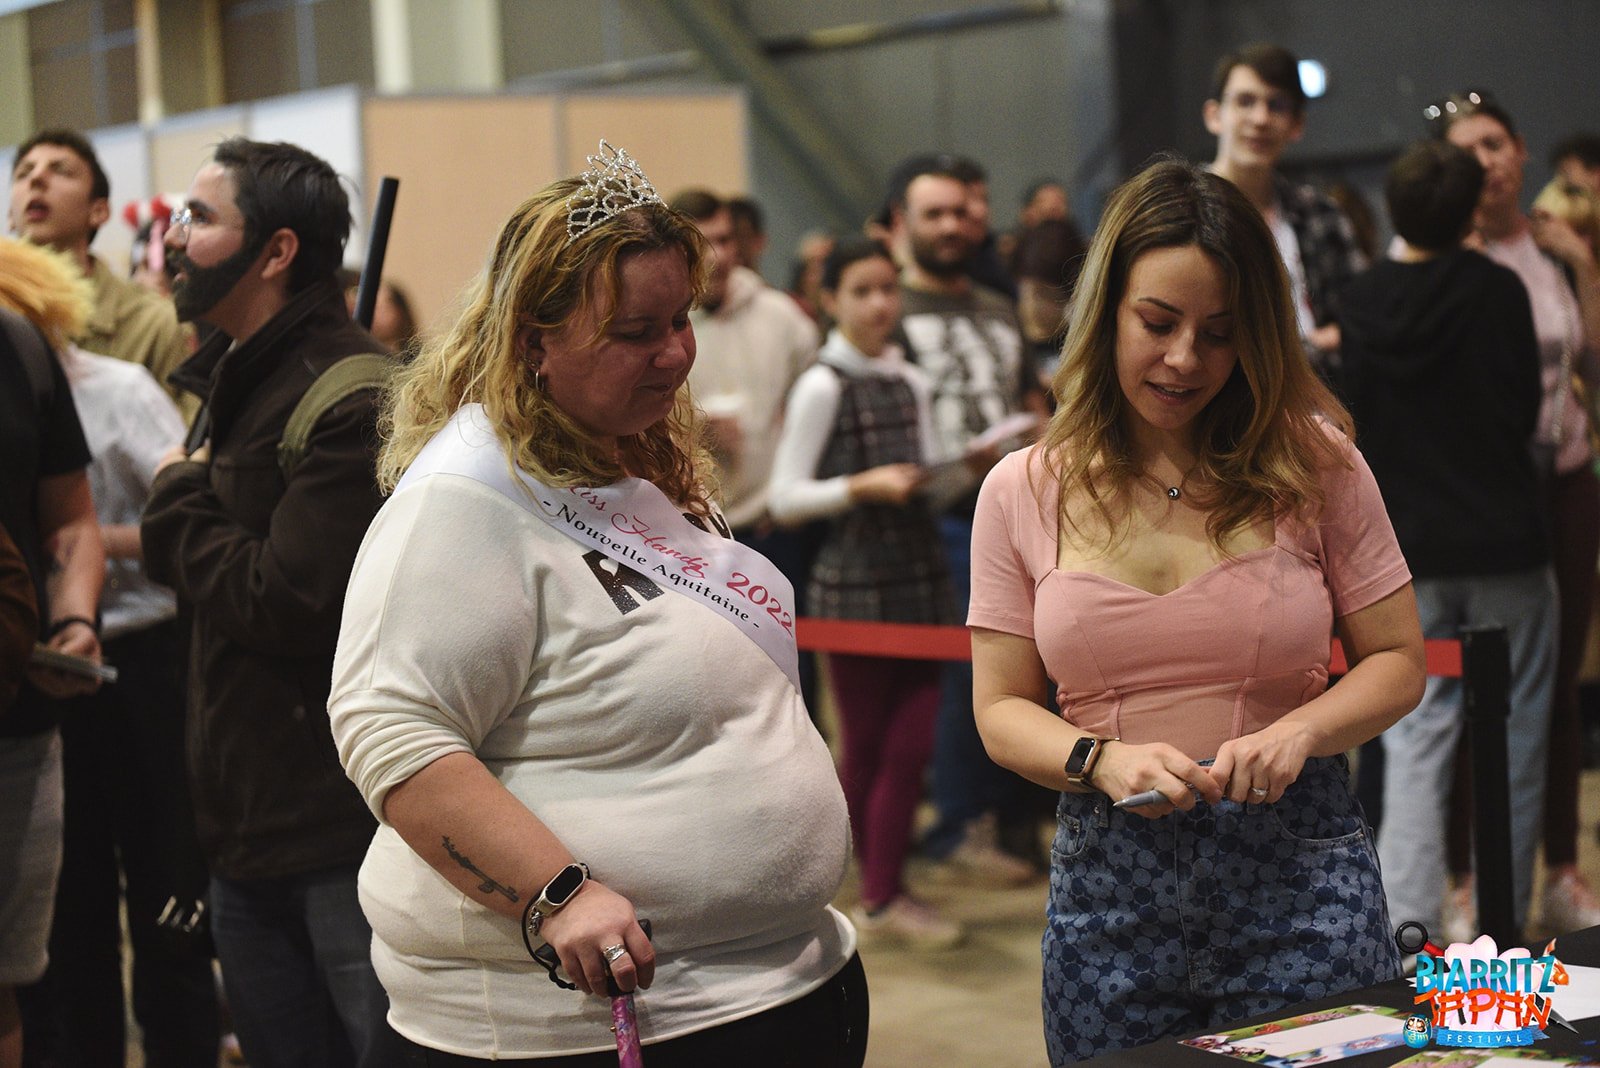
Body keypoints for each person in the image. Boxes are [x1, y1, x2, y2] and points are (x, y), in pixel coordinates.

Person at [327, 140, 865, 1065]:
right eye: (635, 332)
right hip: (578, 1024)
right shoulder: (463, 501)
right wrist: (558, 893)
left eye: (682, 319)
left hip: (776, 985)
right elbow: (392, 730)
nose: (675, 353)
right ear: (533, 341)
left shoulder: (638, 465)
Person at [967, 158, 1424, 1063]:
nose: (1185, 359)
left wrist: (1299, 732)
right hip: (1110, 888)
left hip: (1299, 869)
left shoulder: (1315, 463)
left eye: (1219, 333)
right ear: (1106, 313)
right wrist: (1100, 760)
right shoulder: (1022, 488)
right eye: (1158, 323)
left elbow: (1398, 659)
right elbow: (1000, 708)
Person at [139, 138, 392, 1067]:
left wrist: (176, 497)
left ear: (277, 251)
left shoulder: (349, 395)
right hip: (244, 831)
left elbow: (285, 600)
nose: (173, 237)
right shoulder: (239, 375)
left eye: (199, 218)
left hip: (336, 833)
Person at [0, 236, 219, 1068]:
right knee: (69, 931)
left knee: (153, 902)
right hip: (59, 664)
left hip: (104, 668)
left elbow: (112, 518)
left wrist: (70, 614)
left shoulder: (89, 379)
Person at [1336, 141, 1554, 943]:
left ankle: (1409, 928)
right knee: (1516, 738)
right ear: (1469, 214)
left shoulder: (1360, 299)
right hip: (1504, 541)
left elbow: (1355, 424)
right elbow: (1525, 409)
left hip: (1406, 552)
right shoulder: (1498, 289)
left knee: (1415, 737)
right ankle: (1504, 923)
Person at [1433, 90, 1600, 935]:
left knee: (1560, 681)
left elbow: (1592, 359)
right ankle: (1466, 877)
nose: (1487, 161)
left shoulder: (1553, 250)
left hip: (1564, 478)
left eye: (1496, 143)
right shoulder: (1439, 257)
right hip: (1476, 498)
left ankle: (1562, 871)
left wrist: (1586, 269)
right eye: (1468, 150)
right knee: (1475, 695)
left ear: (1522, 151)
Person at [768, 236, 960, 950]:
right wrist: (860, 487)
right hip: (854, 583)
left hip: (918, 573)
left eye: (889, 289)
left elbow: (929, 470)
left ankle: (876, 883)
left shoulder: (909, 378)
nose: (881, 304)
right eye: (863, 291)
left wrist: (967, 466)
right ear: (831, 300)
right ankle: (872, 890)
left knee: (912, 743)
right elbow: (784, 498)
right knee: (871, 745)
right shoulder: (822, 384)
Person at [886, 153, 1040, 884]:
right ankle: (958, 825)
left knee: (1031, 665)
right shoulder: (889, 310)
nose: (951, 226)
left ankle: (1012, 816)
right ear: (902, 222)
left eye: (961, 212)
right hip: (940, 516)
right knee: (967, 673)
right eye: (934, 214)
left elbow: (1025, 395)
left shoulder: (996, 305)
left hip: (1022, 507)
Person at [0, 281, 104, 1068]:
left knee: (9, 980)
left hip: (17, 728)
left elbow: (71, 517)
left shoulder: (17, 345)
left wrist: (74, 620)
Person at [1203, 43, 1367, 378]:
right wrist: (1314, 344)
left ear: (1297, 124)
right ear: (1214, 115)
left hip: (1319, 395)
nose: (1261, 119)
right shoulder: (1176, 211)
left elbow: (1364, 320)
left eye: (1276, 105)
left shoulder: (1321, 214)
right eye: (1245, 101)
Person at [9, 129, 192, 414]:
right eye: (24, 173)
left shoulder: (155, 324)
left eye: (61, 171)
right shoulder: (5, 318)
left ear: (99, 211)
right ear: (10, 216)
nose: (37, 178)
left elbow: (185, 435)